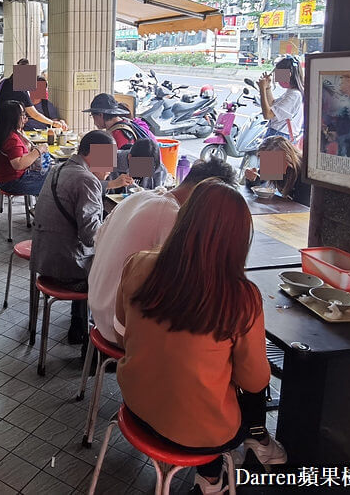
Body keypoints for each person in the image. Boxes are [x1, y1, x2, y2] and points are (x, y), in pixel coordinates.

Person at [115, 179, 286, 495]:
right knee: (235, 391)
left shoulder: (138, 263)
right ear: (238, 239)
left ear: (184, 219)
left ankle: (230, 461)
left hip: (136, 407)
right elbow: (255, 381)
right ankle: (221, 469)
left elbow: (121, 331)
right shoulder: (241, 297)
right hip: (199, 434)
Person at [89, 157, 237, 346]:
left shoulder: (138, 197)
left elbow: (97, 240)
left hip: (97, 311)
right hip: (120, 328)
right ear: (206, 192)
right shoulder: (172, 215)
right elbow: (183, 281)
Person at [31, 130, 132, 344]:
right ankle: (103, 341)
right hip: (66, 270)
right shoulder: (87, 180)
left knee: (92, 258)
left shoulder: (59, 169)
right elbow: (91, 237)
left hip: (42, 258)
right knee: (118, 272)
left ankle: (78, 326)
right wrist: (117, 229)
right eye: (109, 160)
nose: (112, 168)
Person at [85, 93, 165, 188]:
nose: (94, 121)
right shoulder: (125, 123)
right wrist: (111, 184)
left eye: (93, 116)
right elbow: (92, 183)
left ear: (100, 115)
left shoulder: (119, 134)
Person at [0, 58, 68, 132]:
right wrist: (52, 123)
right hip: (5, 128)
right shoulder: (21, 92)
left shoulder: (2, 81)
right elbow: (34, 114)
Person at [0, 100, 51, 196]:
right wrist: (39, 150)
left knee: (52, 174)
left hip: (4, 179)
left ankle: (39, 207)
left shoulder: (2, 132)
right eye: (22, 115)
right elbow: (18, 164)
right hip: (14, 182)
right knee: (55, 182)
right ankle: (42, 209)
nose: (25, 119)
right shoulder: (11, 138)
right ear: (13, 117)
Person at [244, 135, 310, 205]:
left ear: (288, 158)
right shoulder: (275, 162)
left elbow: (301, 206)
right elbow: (256, 185)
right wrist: (251, 179)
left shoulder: (304, 173)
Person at [258, 56, 304, 141]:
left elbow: (268, 115)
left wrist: (262, 89)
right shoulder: (291, 92)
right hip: (278, 135)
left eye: (278, 75)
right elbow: (272, 105)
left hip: (280, 138)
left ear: (288, 75)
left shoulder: (294, 95)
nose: (276, 80)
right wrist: (267, 88)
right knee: (265, 154)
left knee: (269, 155)